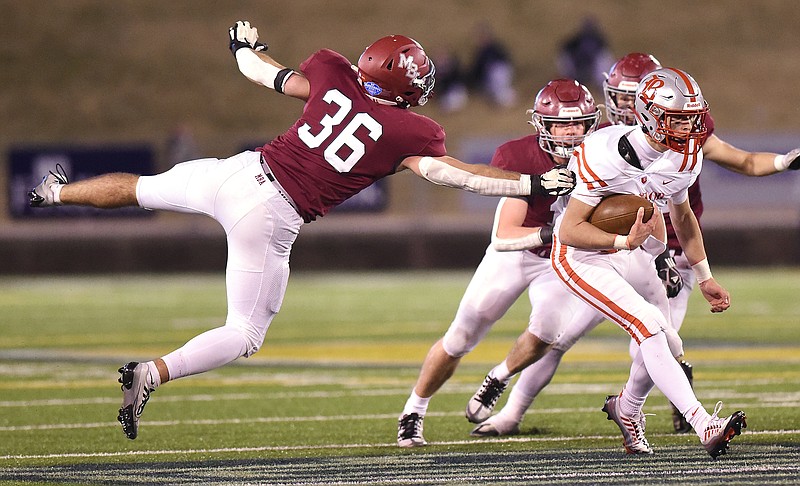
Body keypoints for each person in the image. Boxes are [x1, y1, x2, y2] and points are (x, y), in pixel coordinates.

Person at [27, 21, 577, 441]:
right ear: (404, 84)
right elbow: (452, 175)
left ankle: (55, 192)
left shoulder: (333, 70)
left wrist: (244, 46)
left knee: (142, 187)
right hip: (271, 214)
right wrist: (530, 184)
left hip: (236, 171)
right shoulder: (414, 130)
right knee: (243, 334)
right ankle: (150, 373)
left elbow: (266, 73)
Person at [470, 53, 800, 443]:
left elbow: (680, 216)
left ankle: (626, 409)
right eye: (678, 118)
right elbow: (571, 231)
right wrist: (624, 241)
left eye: (692, 117)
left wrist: (700, 273)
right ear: (650, 116)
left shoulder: (685, 154)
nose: (689, 127)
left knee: (667, 338)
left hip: (637, 250)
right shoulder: (602, 152)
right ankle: (703, 424)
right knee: (638, 327)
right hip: (581, 255)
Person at [396, 79, 601, 447]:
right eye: (561, 123)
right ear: (542, 125)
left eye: (579, 122)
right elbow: (506, 234)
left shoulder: (603, 156)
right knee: (460, 337)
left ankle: (499, 377)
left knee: (547, 332)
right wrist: (550, 233)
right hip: (517, 252)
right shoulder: (521, 156)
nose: (572, 132)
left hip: (559, 257)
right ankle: (414, 410)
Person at [556, 16, 616, 93]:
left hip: (593, 64)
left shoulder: (599, 41)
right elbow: (565, 51)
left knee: (603, 61)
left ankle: (603, 88)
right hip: (577, 63)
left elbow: (604, 54)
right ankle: (568, 88)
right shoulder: (575, 40)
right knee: (566, 63)